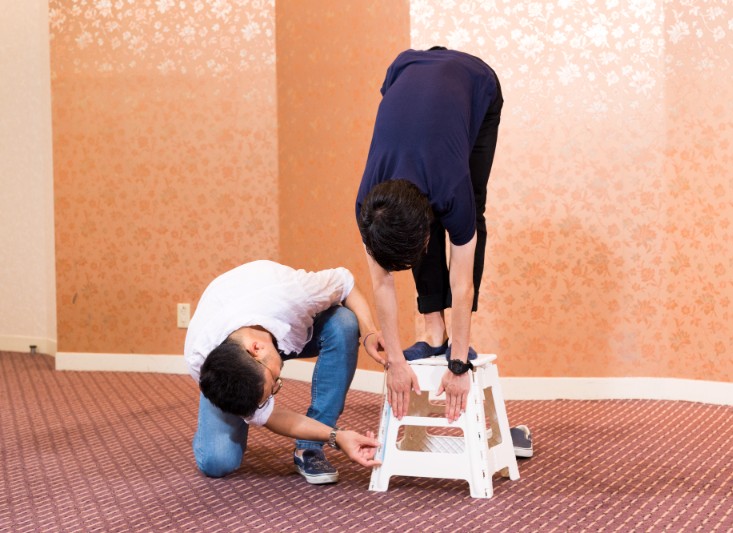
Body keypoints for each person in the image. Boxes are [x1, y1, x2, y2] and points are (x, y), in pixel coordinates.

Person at [355, 47, 532, 457]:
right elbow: (381, 283)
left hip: (475, 81)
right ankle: (432, 330)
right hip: (405, 67)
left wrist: (458, 362)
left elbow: (462, 282)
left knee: (470, 208)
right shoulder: (368, 207)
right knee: (423, 215)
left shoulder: (452, 190)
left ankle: (446, 339)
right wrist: (395, 361)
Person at [184, 260, 387, 483]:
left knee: (344, 323)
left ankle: (309, 449)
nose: (276, 387)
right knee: (217, 462)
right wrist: (337, 437)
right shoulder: (200, 359)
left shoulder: (297, 294)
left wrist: (369, 331)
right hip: (238, 340)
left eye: (274, 383)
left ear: (256, 349)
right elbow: (268, 415)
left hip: (285, 319)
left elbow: (346, 282)